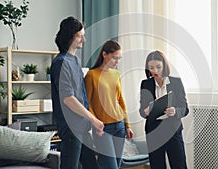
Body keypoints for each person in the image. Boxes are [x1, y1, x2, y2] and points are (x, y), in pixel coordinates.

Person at [51, 16, 104, 169]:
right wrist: (93, 119)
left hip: (81, 126)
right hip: (71, 128)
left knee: (92, 165)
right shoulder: (61, 63)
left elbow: (81, 97)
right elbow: (68, 99)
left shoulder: (74, 60)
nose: (84, 40)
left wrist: (91, 122)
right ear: (70, 36)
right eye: (80, 36)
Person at [84, 40, 134, 169]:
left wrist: (127, 125)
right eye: (114, 58)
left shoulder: (116, 74)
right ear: (104, 54)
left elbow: (121, 101)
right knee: (111, 166)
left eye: (119, 58)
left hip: (120, 126)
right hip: (103, 128)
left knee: (117, 165)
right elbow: (87, 102)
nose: (117, 62)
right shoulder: (91, 75)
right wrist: (96, 123)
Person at [139, 50, 189, 169]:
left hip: (172, 131)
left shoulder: (176, 82)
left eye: (158, 67)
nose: (155, 71)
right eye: (151, 67)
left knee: (179, 165)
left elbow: (185, 109)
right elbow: (141, 111)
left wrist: (175, 111)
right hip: (154, 132)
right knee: (157, 166)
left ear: (164, 66)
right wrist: (145, 112)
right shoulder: (146, 84)